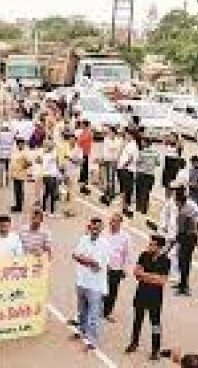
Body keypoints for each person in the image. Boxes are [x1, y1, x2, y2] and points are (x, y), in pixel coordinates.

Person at [124, 235, 170, 361]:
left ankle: (155, 350)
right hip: (141, 294)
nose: (149, 246)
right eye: (150, 244)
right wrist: (153, 276)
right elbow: (136, 273)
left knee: (155, 324)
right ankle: (134, 343)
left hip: (155, 297)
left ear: (159, 247)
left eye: (153, 244)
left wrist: (145, 275)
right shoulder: (143, 255)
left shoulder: (165, 260)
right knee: (137, 320)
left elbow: (162, 280)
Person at [71, 217, 109, 351]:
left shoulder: (105, 244)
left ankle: (91, 340)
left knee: (93, 313)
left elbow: (97, 265)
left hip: (95, 285)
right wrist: (87, 261)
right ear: (90, 227)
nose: (95, 229)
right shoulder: (83, 239)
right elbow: (75, 255)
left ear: (101, 229)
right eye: (93, 227)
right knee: (82, 311)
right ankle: (82, 332)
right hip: (81, 280)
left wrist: (83, 259)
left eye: (98, 227)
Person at [174, 190, 198, 296]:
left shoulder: (190, 206)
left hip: (190, 237)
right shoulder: (181, 207)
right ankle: (182, 282)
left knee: (185, 261)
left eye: (176, 201)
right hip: (183, 235)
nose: (175, 203)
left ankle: (184, 286)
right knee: (180, 259)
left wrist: (194, 220)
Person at [104, 213, 131, 322]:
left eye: (115, 221)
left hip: (116, 268)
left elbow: (127, 254)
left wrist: (125, 268)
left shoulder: (125, 237)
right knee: (99, 289)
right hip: (102, 266)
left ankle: (107, 312)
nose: (112, 223)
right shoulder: (104, 233)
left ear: (120, 223)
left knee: (112, 291)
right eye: (111, 220)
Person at [117, 130, 139, 218]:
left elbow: (130, 158)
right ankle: (125, 208)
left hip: (126, 169)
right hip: (125, 169)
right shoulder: (130, 144)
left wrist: (123, 165)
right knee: (126, 190)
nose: (125, 136)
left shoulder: (132, 145)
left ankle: (124, 207)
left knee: (126, 190)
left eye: (127, 135)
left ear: (131, 136)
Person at [9, 139, 32, 212]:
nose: (21, 145)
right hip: (15, 174)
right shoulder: (15, 152)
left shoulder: (25, 153)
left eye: (22, 144)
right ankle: (17, 205)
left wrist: (23, 167)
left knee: (19, 191)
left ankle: (19, 207)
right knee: (16, 191)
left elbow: (29, 163)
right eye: (19, 144)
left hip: (21, 174)